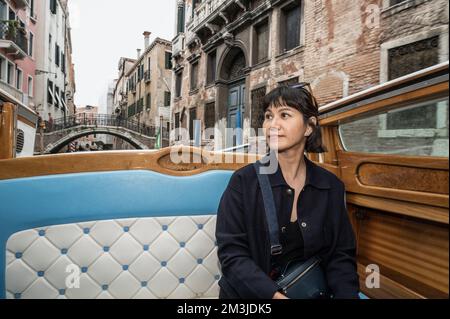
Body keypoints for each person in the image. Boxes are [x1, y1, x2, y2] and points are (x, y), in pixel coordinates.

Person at [216, 83, 359, 299]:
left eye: (284, 115)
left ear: (309, 127)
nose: (273, 125)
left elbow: (340, 257)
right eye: (268, 116)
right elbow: (232, 255)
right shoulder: (243, 182)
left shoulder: (331, 186)